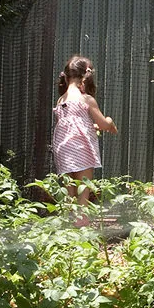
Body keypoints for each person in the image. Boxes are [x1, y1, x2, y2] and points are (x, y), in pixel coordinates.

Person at [53, 55, 118, 212]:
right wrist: (110, 122)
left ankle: (68, 226)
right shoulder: (86, 99)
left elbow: (71, 125)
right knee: (83, 191)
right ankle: (82, 226)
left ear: (67, 77)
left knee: (70, 192)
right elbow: (103, 124)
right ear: (85, 76)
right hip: (82, 150)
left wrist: (91, 127)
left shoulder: (61, 101)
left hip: (63, 150)